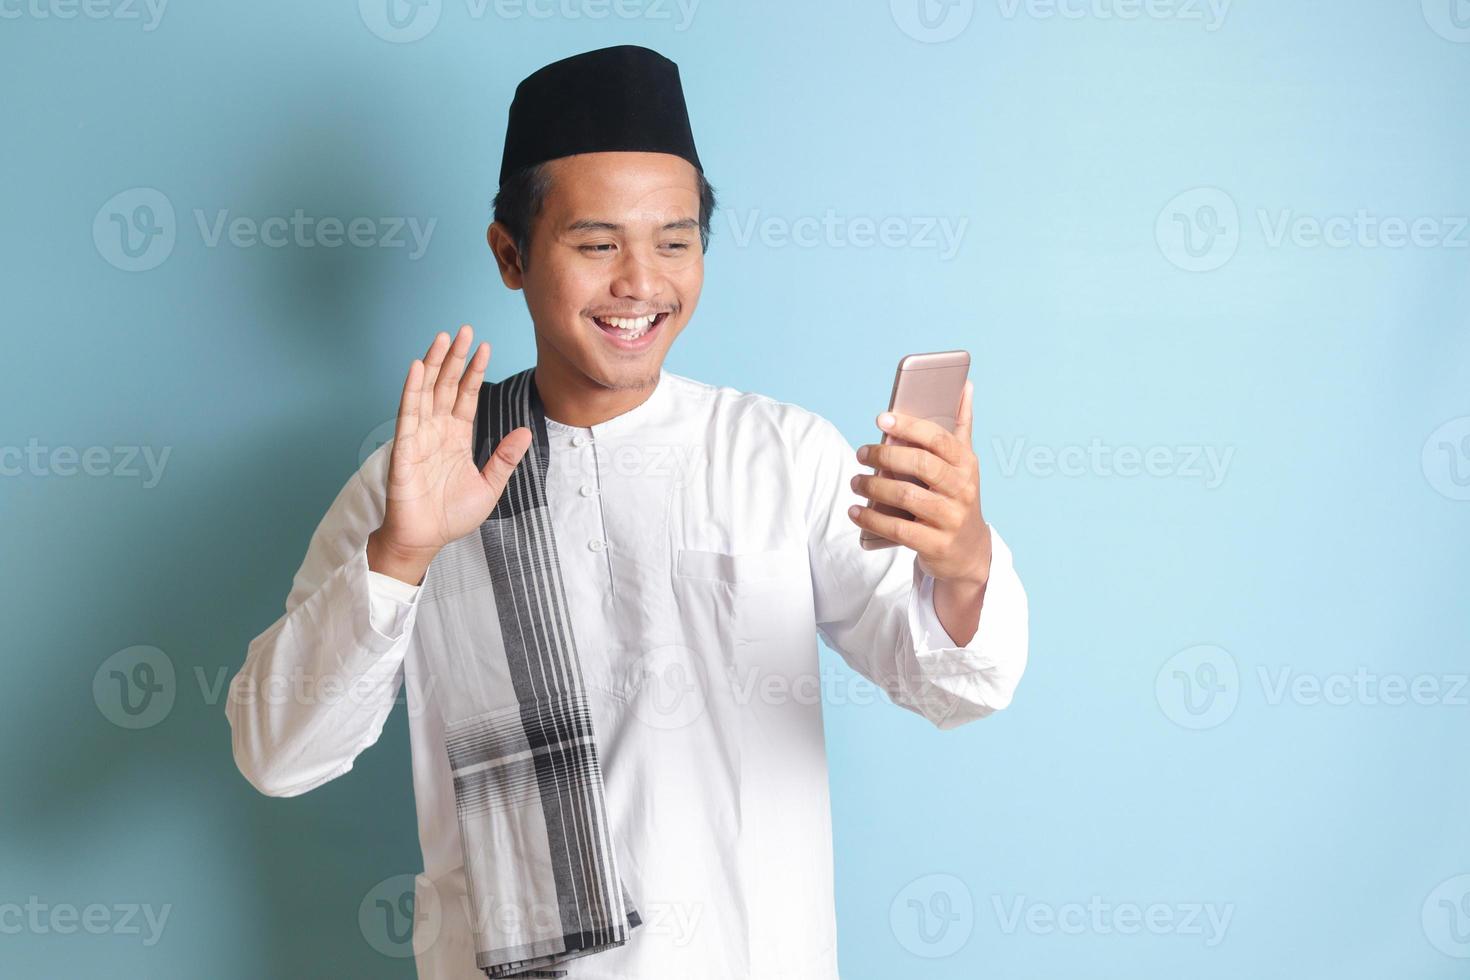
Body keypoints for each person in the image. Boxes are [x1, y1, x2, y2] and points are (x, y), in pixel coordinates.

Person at [226, 44, 1028, 980]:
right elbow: (276, 755)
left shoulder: (780, 456)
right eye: (597, 243)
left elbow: (957, 687)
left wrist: (963, 562)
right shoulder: (417, 479)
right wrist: (401, 555)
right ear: (510, 255)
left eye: (675, 241)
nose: (641, 282)